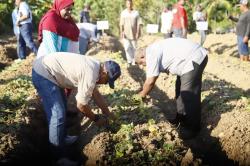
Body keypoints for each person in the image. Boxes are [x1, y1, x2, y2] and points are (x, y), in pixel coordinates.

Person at [32, 52, 121, 163]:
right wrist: (96, 118)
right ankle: (59, 158)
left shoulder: (96, 67)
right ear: (104, 73)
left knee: (62, 108)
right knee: (57, 114)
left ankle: (61, 138)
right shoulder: (90, 73)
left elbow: (96, 94)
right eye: (107, 80)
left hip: (50, 71)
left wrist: (108, 113)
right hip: (43, 73)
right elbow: (81, 105)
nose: (105, 83)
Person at [135, 38, 208, 139]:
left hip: (194, 58)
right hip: (186, 60)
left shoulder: (151, 54)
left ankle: (192, 128)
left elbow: (150, 81)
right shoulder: (153, 49)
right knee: (179, 89)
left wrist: (142, 95)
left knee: (188, 94)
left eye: (141, 63)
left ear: (142, 56)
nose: (143, 66)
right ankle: (180, 118)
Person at [120, 0, 142, 67]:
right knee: (127, 48)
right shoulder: (123, 13)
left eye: (130, 3)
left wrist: (138, 32)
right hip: (126, 34)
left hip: (134, 34)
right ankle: (129, 61)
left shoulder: (136, 13)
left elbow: (139, 23)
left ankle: (134, 61)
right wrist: (121, 32)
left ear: (132, 4)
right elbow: (121, 24)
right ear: (126, 4)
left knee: (134, 48)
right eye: (128, 4)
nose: (129, 5)